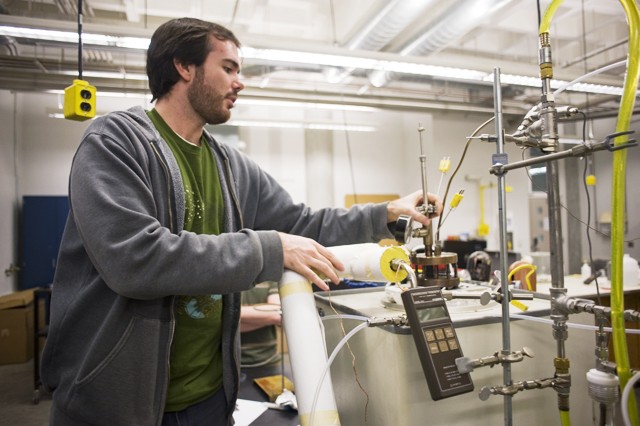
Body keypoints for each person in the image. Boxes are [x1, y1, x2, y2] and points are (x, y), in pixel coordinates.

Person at [40, 17, 441, 426]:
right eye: (228, 68)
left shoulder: (231, 166)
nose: (240, 82)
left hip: (211, 400)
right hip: (117, 406)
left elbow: (302, 223)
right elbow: (134, 259)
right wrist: (269, 248)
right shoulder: (116, 143)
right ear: (184, 66)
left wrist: (386, 213)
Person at [239, 282, 282, 367]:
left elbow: (278, 315)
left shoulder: (270, 277)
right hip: (227, 365)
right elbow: (218, 322)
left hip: (269, 362)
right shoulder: (222, 279)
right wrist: (265, 318)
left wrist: (231, 313)